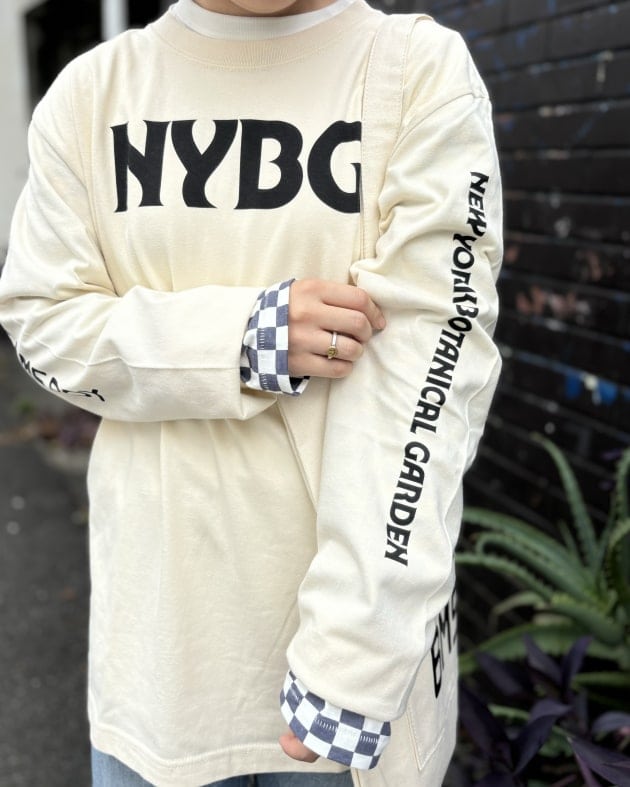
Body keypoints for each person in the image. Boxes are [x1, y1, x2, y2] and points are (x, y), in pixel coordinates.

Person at [0, 0, 503, 784]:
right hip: (156, 672)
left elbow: (429, 379)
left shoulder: (414, 71)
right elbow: (41, 322)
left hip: (345, 688)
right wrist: (240, 337)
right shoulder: (92, 93)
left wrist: (357, 652)